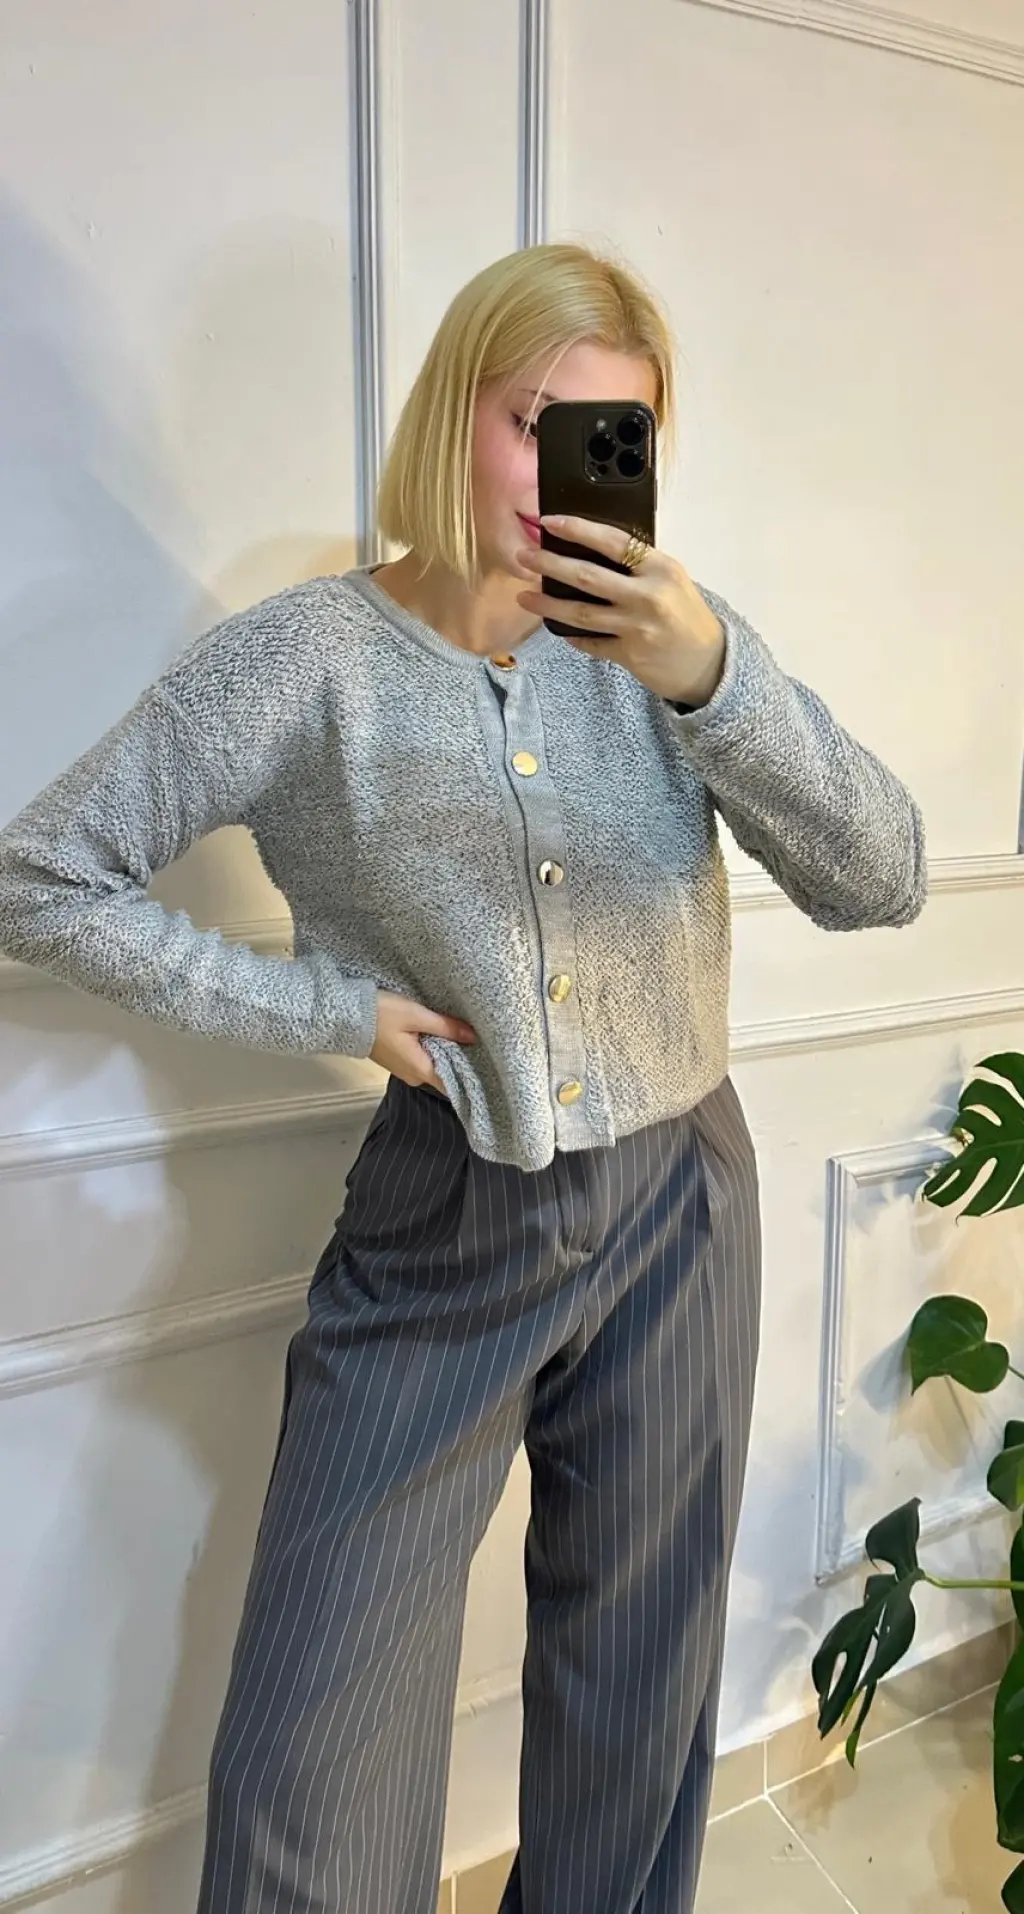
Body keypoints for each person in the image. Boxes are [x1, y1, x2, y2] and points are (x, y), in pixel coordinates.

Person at [0, 242, 926, 1913]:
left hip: (680, 1201)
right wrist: (326, 1009)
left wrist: (712, 672)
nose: (566, 475)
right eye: (533, 422)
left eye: (615, 438)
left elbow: (886, 874)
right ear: (455, 412)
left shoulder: (669, 654)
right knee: (317, 1750)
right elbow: (43, 873)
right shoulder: (305, 661)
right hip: (443, 1211)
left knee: (634, 1699)